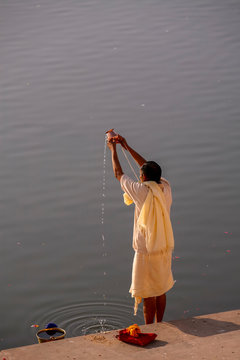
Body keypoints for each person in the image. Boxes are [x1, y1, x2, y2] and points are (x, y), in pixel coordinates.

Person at [107, 134, 175, 324]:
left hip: (146, 250)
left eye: (141, 174)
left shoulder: (141, 191)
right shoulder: (166, 188)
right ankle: (160, 325)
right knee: (160, 290)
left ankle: (149, 329)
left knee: (147, 293)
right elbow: (148, 168)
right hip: (164, 248)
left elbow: (118, 174)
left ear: (143, 177)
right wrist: (126, 146)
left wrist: (113, 149)